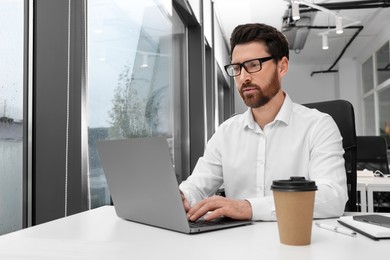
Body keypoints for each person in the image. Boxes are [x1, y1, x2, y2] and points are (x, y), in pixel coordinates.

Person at [179, 23, 348, 221]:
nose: (243, 77)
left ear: (282, 66)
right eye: (236, 68)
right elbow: (198, 184)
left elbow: (332, 197)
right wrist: (182, 197)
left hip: (297, 243)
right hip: (238, 244)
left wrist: (249, 208)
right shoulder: (226, 132)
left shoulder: (318, 126)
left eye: (253, 65)